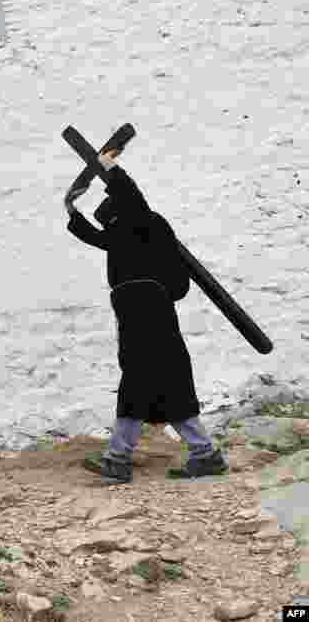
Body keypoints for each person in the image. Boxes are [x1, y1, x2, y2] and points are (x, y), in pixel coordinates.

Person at [64, 147, 228, 484]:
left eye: (108, 220)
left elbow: (130, 197)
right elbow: (93, 236)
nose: (106, 227)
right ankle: (204, 453)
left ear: (117, 214)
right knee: (166, 379)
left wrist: (110, 168)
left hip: (145, 307)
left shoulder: (142, 221)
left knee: (139, 376)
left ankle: (118, 459)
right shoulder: (124, 237)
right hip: (138, 307)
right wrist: (71, 209)